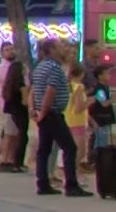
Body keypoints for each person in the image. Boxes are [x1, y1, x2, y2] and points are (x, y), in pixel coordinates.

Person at [30, 39, 91, 197]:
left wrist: (34, 109)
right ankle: (71, 184)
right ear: (51, 50)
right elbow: (50, 91)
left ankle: (42, 183)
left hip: (43, 113)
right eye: (59, 47)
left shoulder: (39, 67)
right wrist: (43, 111)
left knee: (44, 149)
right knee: (70, 148)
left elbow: (34, 90)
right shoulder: (54, 68)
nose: (62, 50)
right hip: (52, 113)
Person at [0, 61, 30, 174]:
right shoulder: (21, 86)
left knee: (8, 137)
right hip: (18, 113)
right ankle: (14, 161)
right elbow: (25, 102)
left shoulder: (9, 85)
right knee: (19, 137)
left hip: (8, 111)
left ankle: (4, 160)